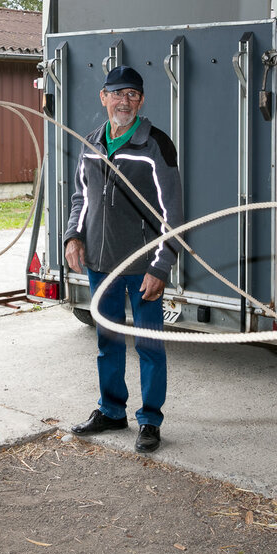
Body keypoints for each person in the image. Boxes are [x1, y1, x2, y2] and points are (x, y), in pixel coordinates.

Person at [63, 65, 183, 453]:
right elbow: (81, 196)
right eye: (117, 94)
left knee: (149, 346)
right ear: (104, 97)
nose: (124, 101)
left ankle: (150, 420)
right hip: (101, 264)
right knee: (108, 341)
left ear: (141, 100)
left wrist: (160, 266)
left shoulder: (155, 145)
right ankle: (112, 411)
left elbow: (173, 213)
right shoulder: (91, 142)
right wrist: (73, 236)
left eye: (132, 94)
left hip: (143, 267)